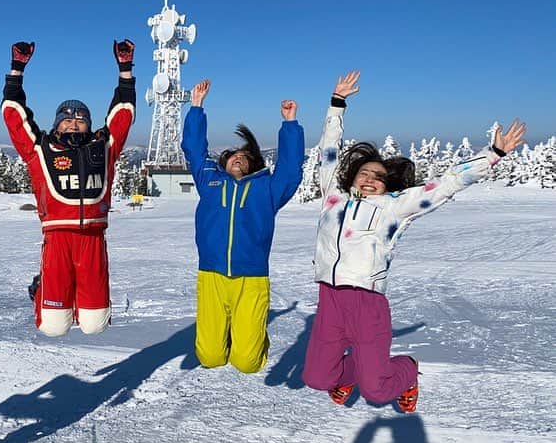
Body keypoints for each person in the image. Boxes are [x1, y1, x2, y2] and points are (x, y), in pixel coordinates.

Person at [301, 71, 526, 411]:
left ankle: (407, 371)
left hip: (367, 304)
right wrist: (337, 104)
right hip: (330, 299)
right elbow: (329, 151)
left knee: (377, 392)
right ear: (352, 177)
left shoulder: (394, 207)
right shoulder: (333, 196)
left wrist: (493, 154)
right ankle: (350, 374)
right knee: (317, 378)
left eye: (379, 177)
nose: (370, 180)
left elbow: (446, 185)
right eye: (364, 173)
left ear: (388, 184)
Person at [1, 39, 135, 337]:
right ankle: (41, 288)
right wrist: (16, 70)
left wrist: (125, 70)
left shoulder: (104, 147)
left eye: (81, 120)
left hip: (93, 240)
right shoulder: (40, 149)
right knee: (53, 327)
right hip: (58, 238)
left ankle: (75, 299)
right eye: (67, 120)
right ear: (57, 124)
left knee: (94, 324)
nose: (74, 124)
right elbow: (13, 116)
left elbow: (123, 117)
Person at [180, 79, 305, 373]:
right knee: (209, 358)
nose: (238, 157)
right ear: (224, 163)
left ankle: (252, 336)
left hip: (252, 279)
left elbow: (289, 168)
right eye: (233, 155)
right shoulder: (209, 181)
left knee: (248, 363)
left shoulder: (268, 189)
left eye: (245, 157)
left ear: (255, 164)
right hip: (211, 276)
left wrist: (290, 124)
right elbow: (194, 150)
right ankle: (233, 335)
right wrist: (196, 106)